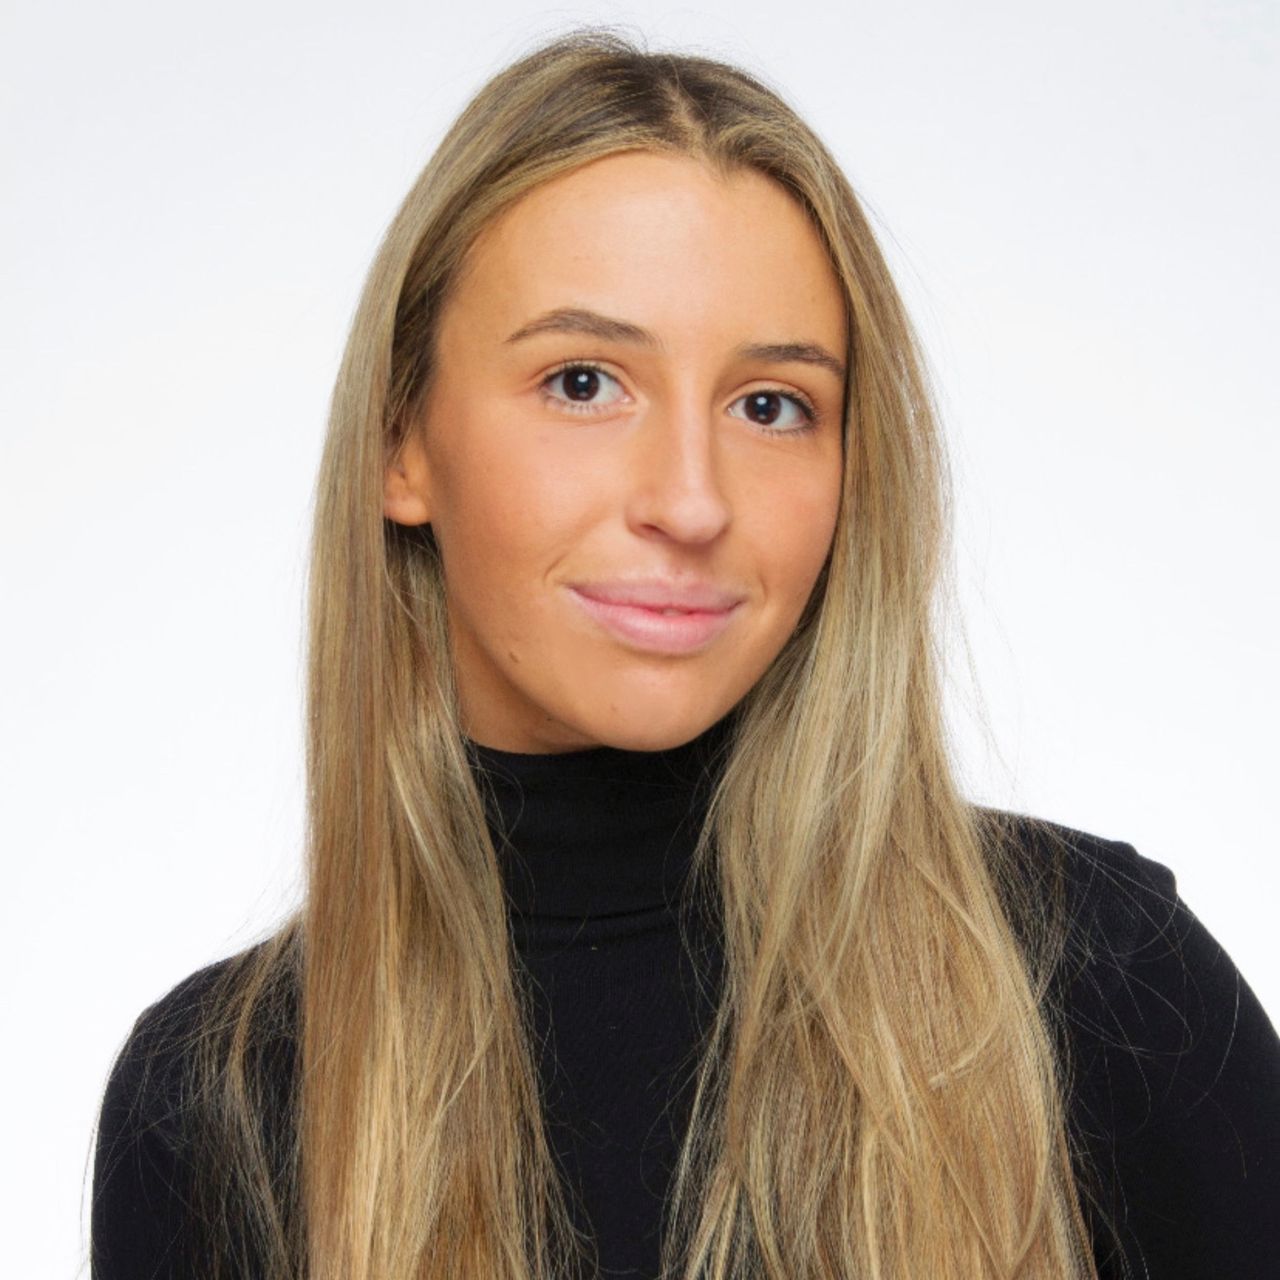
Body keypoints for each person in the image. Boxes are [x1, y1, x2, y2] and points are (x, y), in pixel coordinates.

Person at [89, 26, 1280, 1280]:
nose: (691, 500)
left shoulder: (1092, 979)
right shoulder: (218, 1107)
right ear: (402, 441)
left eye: (770, 404)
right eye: (583, 382)